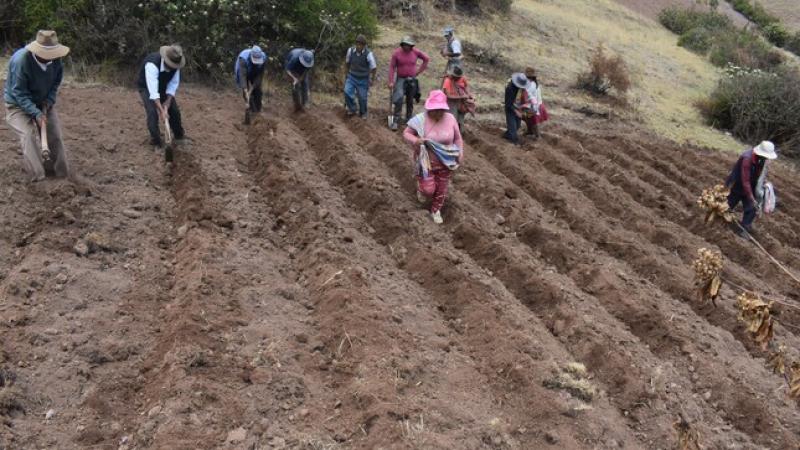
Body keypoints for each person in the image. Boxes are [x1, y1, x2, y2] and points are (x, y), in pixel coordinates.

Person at [4, 30, 71, 182]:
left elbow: (55, 82)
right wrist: (36, 113)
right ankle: (38, 177)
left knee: (55, 135)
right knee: (27, 136)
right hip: (17, 104)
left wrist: (49, 100)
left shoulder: (56, 60)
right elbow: (19, 92)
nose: (51, 57)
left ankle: (61, 175)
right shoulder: (21, 61)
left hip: (43, 101)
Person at [403, 90, 464, 224]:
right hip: (426, 163)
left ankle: (436, 210)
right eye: (434, 109)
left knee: (442, 188)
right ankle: (421, 188)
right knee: (429, 190)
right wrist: (416, 141)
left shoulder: (451, 119)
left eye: (440, 110)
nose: (437, 113)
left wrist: (460, 153)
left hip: (446, 162)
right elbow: (406, 133)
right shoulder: (420, 119)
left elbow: (458, 139)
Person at [137, 44, 186, 150]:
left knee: (174, 111)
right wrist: (162, 111)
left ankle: (179, 136)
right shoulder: (152, 64)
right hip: (146, 87)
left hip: (163, 86)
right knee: (152, 112)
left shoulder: (176, 65)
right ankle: (156, 141)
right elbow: (153, 93)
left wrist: (167, 104)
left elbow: (173, 85)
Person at [725, 141, 778, 236]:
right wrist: (751, 198)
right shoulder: (747, 158)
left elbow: (759, 175)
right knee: (727, 206)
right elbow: (745, 181)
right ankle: (720, 222)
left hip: (751, 185)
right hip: (737, 184)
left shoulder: (762, 159)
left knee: (752, 208)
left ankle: (744, 229)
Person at [388, 36, 430, 131]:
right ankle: (396, 120)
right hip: (401, 79)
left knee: (410, 100)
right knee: (398, 99)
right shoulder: (397, 53)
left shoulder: (415, 52)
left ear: (411, 45)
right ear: (402, 44)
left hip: (412, 79)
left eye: (408, 45)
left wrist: (419, 71)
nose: (406, 47)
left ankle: (409, 119)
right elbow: (392, 67)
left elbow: (426, 59)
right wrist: (390, 81)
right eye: (405, 45)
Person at [343, 35, 377, 118]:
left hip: (363, 79)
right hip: (352, 76)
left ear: (364, 45)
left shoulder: (368, 54)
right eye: (357, 44)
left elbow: (374, 67)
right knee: (347, 91)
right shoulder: (350, 51)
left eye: (360, 45)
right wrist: (346, 74)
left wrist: (372, 79)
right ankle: (352, 108)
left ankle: (363, 112)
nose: (358, 46)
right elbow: (347, 63)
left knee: (362, 98)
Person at [441, 66, 475, 132]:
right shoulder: (447, 81)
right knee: (452, 118)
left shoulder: (462, 78)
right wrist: (462, 97)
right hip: (451, 103)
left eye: (459, 77)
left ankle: (459, 133)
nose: (459, 78)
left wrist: (469, 95)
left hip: (460, 102)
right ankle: (450, 133)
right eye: (457, 77)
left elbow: (465, 87)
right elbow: (448, 96)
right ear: (453, 76)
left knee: (460, 118)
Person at [235, 45, 267, 114]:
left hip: (255, 71)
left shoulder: (263, 58)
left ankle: (258, 109)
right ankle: (252, 108)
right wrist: (246, 91)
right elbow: (242, 77)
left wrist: (252, 89)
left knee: (258, 90)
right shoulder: (243, 59)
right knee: (246, 93)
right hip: (243, 70)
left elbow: (260, 75)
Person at [502, 73, 529, 145]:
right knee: (513, 130)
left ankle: (506, 135)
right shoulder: (509, 88)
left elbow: (524, 98)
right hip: (510, 108)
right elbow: (508, 105)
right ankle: (513, 142)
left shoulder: (521, 89)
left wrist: (523, 108)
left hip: (517, 106)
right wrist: (516, 112)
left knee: (517, 125)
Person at [522, 67, 549, 139]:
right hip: (535, 104)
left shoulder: (531, 85)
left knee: (533, 120)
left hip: (534, 106)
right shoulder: (533, 83)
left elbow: (528, 97)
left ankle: (538, 136)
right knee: (527, 117)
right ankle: (529, 131)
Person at [285, 48, 314, 112]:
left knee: (305, 83)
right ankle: (297, 105)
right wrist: (294, 78)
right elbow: (288, 70)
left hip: (302, 70)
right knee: (295, 85)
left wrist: (301, 78)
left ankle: (305, 103)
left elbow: (306, 71)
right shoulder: (294, 58)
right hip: (293, 69)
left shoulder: (310, 61)